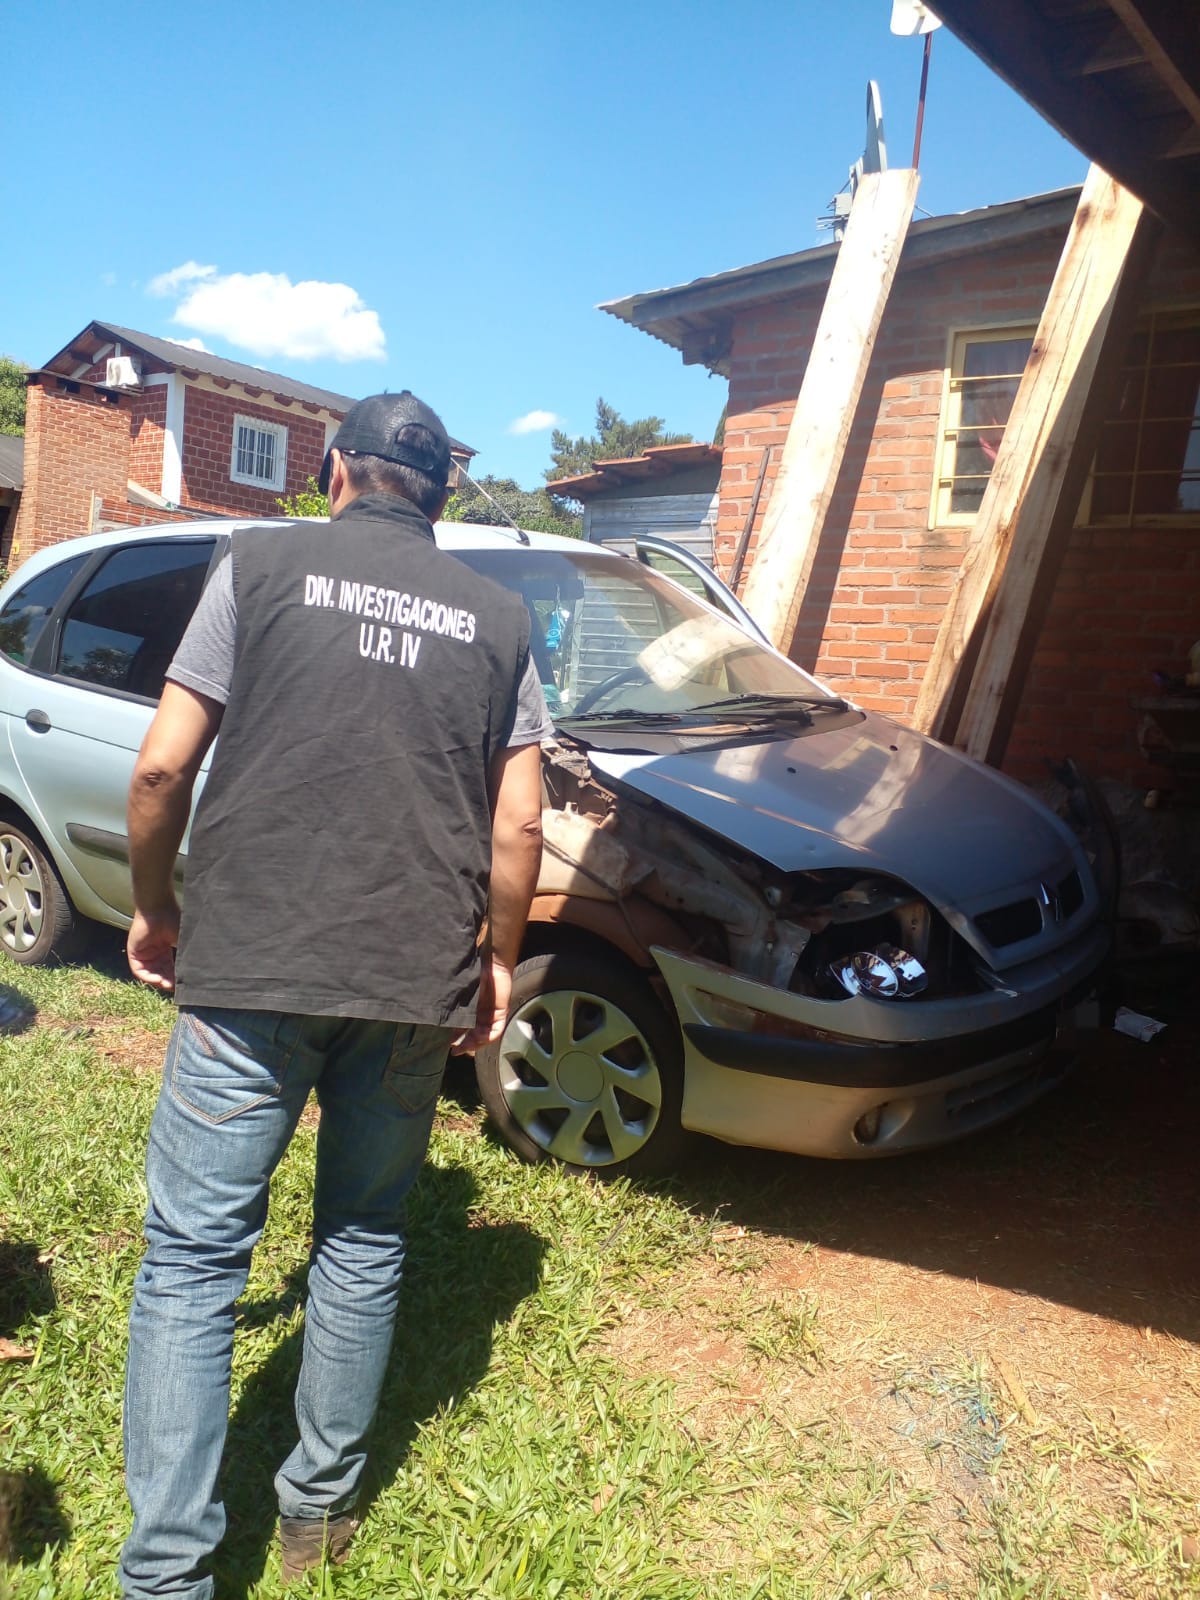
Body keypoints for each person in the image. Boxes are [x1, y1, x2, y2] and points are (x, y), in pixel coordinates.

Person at [119, 392, 548, 1597]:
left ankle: (165, 1576)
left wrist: (155, 906)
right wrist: (499, 957)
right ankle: (316, 1515)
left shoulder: (253, 563)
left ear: (332, 471)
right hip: (412, 980)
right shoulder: (502, 616)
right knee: (361, 1241)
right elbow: (519, 820)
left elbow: (161, 763)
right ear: (443, 495)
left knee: (195, 1264)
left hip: (250, 964)